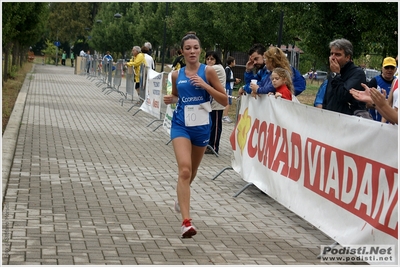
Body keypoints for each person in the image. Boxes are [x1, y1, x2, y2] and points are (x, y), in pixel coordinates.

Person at [163, 33, 228, 238]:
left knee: (192, 172)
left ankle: (181, 196)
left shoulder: (208, 71)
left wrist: (204, 84)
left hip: (201, 127)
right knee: (184, 170)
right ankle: (186, 222)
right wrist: (170, 98)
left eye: (196, 47)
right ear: (182, 52)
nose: (192, 51)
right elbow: (176, 96)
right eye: (188, 48)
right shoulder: (176, 74)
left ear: (200, 50)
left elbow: (225, 100)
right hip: (181, 125)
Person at [322, 38, 367, 115]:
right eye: (331, 54)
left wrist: (336, 74)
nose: (333, 58)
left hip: (348, 121)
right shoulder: (333, 74)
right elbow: (327, 98)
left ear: (348, 57)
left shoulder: (357, 73)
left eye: (337, 54)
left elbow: (343, 96)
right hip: (330, 119)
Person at [204, 51, 226, 154]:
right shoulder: (211, 68)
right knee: (211, 124)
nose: (209, 61)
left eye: (212, 59)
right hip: (211, 101)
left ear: (216, 60)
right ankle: (209, 144)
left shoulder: (216, 68)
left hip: (217, 102)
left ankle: (214, 146)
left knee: (216, 125)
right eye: (207, 59)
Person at [367, 57, 397, 121]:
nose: (389, 70)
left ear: (395, 69)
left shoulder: (396, 82)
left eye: (392, 67)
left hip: (392, 123)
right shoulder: (375, 81)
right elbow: (367, 104)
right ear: (382, 68)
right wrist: (380, 104)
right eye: (387, 67)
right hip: (375, 121)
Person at [222, 56, 240, 123]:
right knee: (228, 102)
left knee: (229, 102)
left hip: (230, 87)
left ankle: (225, 116)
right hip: (228, 88)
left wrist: (234, 81)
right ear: (231, 62)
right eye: (234, 62)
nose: (235, 63)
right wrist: (234, 79)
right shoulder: (227, 69)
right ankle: (225, 116)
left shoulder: (229, 69)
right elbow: (226, 79)